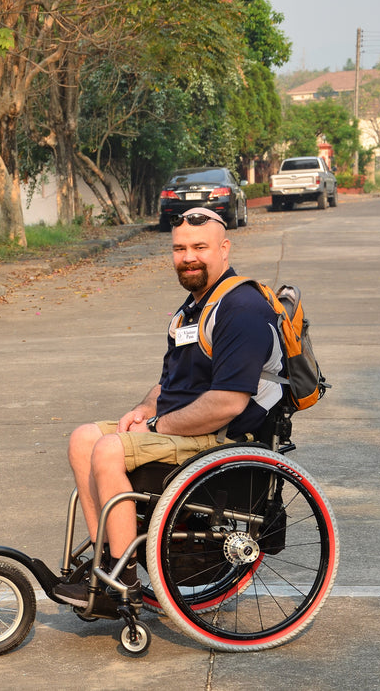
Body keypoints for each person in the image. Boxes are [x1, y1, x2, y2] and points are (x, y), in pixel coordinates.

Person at [53, 207, 285, 606]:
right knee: (83, 439)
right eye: (179, 249)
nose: (188, 257)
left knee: (108, 450)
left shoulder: (242, 309)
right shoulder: (191, 308)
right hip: (182, 427)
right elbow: (171, 383)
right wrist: (143, 410)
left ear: (224, 249)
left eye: (200, 247)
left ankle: (119, 585)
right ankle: (105, 561)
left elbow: (227, 402)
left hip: (222, 437)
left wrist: (157, 427)